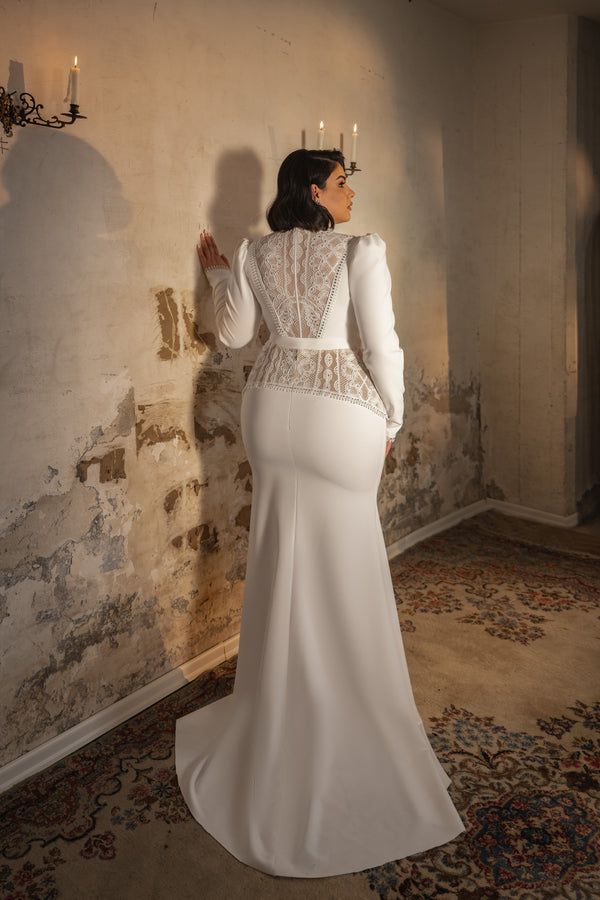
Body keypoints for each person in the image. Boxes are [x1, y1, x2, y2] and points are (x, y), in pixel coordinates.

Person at [175, 148, 466, 878]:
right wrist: (393, 415)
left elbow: (235, 336)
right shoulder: (362, 250)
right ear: (315, 190)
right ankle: (349, 716)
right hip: (341, 413)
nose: (351, 191)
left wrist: (216, 274)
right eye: (343, 182)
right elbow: (384, 344)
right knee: (347, 564)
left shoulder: (250, 250)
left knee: (280, 556)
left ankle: (281, 711)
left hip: (271, 409)